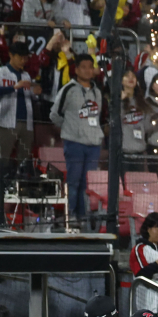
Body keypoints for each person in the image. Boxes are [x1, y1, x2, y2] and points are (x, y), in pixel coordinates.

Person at [50, 56, 103, 230]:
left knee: (87, 185)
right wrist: (70, 130)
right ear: (77, 70)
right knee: (73, 182)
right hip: (74, 143)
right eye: (84, 67)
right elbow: (54, 115)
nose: (88, 70)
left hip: (93, 144)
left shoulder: (97, 92)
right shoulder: (69, 89)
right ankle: (70, 216)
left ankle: (83, 217)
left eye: (91, 67)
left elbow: (98, 116)